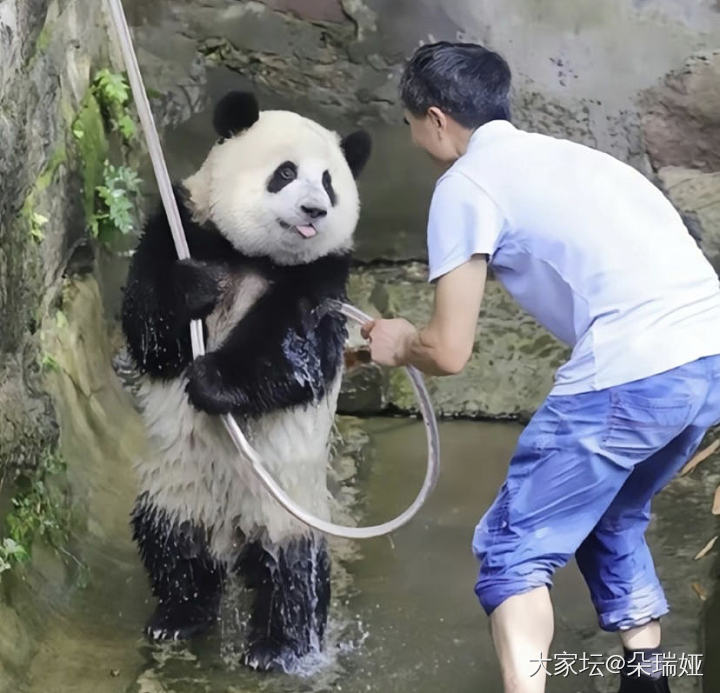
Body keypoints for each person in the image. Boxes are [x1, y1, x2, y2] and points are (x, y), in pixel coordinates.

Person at [361, 41, 720, 693]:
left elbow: (448, 349)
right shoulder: (573, 158)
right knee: (612, 519)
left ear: (437, 118)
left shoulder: (465, 185)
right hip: (707, 362)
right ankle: (653, 685)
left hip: (632, 369)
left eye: (411, 122)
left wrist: (396, 341)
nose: (414, 138)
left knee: (511, 549)